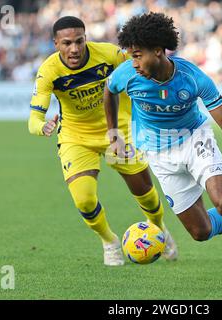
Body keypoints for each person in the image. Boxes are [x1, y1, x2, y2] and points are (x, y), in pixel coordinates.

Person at [104, 12, 222, 289]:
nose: (134, 63)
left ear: (158, 51)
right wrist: (113, 134)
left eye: (138, 56)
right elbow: (109, 91)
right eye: (131, 56)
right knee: (200, 232)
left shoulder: (192, 77)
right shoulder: (127, 74)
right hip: (158, 155)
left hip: (194, 140)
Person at [28, 16, 177, 266]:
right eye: (66, 43)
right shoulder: (48, 71)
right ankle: (109, 241)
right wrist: (43, 126)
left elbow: (143, 67)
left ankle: (159, 229)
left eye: (79, 41)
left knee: (146, 194)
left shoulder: (109, 54)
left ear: (86, 38)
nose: (74, 48)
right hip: (76, 137)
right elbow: (33, 117)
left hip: (117, 131)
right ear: (56, 43)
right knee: (84, 199)